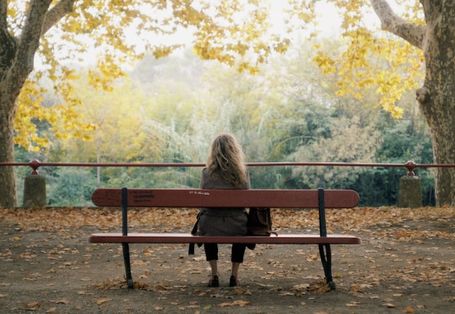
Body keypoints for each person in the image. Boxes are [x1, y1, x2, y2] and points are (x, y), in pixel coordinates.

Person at [197, 133, 249, 287]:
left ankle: (214, 274)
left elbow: (203, 201)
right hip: (237, 224)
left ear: (214, 151)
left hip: (211, 223)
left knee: (207, 221)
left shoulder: (206, 173)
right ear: (235, 151)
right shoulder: (242, 173)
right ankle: (234, 275)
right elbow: (247, 200)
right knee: (241, 224)